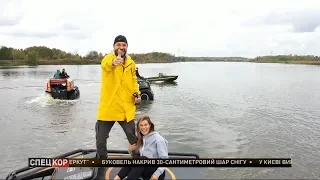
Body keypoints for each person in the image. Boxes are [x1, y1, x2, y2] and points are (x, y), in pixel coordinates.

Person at [96, 35, 142, 159]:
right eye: (118, 45)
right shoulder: (107, 59)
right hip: (108, 108)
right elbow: (106, 65)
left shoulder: (131, 63)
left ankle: (137, 159)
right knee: (100, 140)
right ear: (114, 46)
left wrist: (137, 94)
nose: (121, 47)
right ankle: (102, 161)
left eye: (124, 45)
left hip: (125, 108)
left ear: (127, 47)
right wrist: (113, 62)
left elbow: (133, 81)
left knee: (134, 139)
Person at [114, 115, 168, 180]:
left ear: (150, 125)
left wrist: (156, 174)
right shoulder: (141, 139)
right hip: (144, 170)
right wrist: (130, 150)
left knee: (142, 159)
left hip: (156, 173)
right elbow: (137, 156)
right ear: (139, 127)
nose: (143, 127)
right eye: (141, 125)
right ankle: (118, 178)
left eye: (146, 125)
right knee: (137, 158)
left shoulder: (158, 139)